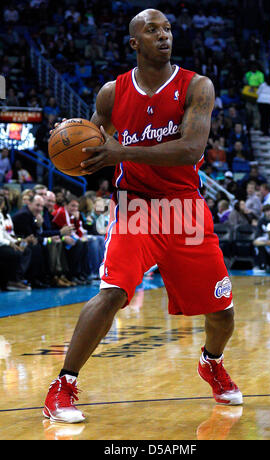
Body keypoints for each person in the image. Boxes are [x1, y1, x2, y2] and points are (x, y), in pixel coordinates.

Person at [43, 9, 243, 424]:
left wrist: (124, 151)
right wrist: (68, 138)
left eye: (167, 29)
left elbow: (190, 150)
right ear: (135, 42)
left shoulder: (196, 86)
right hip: (136, 208)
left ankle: (211, 361)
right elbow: (91, 150)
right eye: (152, 30)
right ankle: (62, 386)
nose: (163, 35)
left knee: (222, 313)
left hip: (185, 207)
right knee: (113, 292)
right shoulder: (112, 94)